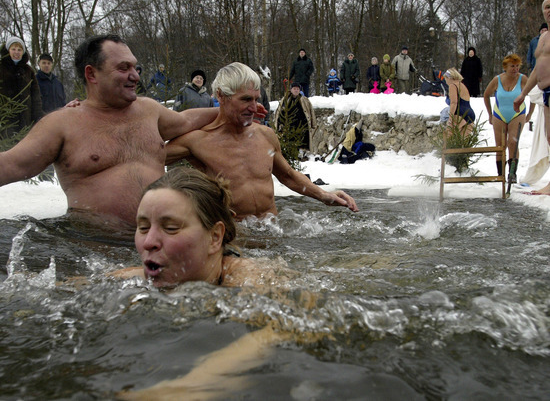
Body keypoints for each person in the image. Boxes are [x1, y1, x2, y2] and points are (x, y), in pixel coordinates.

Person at [0, 34, 220, 227]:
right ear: (92, 74)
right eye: (123, 68)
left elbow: (185, 120)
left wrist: (229, 110)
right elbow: (10, 164)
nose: (135, 75)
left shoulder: (149, 110)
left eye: (134, 67)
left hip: (158, 244)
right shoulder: (63, 124)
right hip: (94, 253)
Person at [166, 62, 358, 220]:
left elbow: (288, 176)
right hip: (236, 239)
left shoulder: (265, 135)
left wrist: (324, 195)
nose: (254, 107)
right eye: (246, 99)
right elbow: (148, 153)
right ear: (221, 96)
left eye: (256, 99)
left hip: (273, 233)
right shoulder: (198, 141)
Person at [113, 168, 260, 289]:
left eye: (170, 228)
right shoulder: (125, 282)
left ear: (215, 237)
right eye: (144, 228)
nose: (148, 242)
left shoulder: (252, 281)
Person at [514, 0, 550, 194]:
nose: (549, 10)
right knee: (549, 137)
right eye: (546, 7)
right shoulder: (543, 38)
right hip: (546, 92)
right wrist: (523, 94)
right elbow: (538, 69)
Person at [484, 54, 527, 182]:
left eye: (517, 66)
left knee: (513, 142)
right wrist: (490, 114)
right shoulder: (497, 80)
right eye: (512, 66)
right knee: (500, 145)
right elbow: (486, 95)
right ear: (505, 67)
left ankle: (512, 173)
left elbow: (534, 95)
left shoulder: (523, 79)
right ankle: (500, 174)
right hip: (499, 114)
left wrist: (529, 114)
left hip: (517, 114)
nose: (515, 69)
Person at [0, 36, 44, 140]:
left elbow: (36, 97)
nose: (16, 52)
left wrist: (38, 117)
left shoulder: (29, 71)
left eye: (19, 50)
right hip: (4, 122)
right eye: (13, 49)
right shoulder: (1, 68)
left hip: (25, 121)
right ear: (8, 50)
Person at [274, 81, 317, 151]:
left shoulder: (304, 100)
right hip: (289, 125)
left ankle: (300, 154)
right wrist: (279, 124)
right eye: (294, 89)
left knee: (301, 141)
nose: (296, 90)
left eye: (297, 89)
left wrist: (313, 124)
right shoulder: (285, 100)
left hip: (301, 125)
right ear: (291, 90)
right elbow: (279, 112)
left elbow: (311, 111)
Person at [443, 68, 476, 135]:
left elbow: (454, 103)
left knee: (448, 138)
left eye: (445, 79)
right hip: (470, 114)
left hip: (460, 113)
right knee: (462, 142)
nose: (446, 81)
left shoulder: (453, 85)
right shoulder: (462, 85)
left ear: (449, 78)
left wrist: (450, 118)